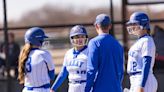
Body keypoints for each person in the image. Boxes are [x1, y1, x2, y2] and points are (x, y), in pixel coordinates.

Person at [85, 14, 124, 92]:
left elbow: (91, 70)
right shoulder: (118, 44)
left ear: (96, 26)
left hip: (100, 88)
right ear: (110, 26)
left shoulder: (94, 43)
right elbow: (121, 71)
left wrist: (87, 89)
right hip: (116, 88)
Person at [50, 25, 88, 92]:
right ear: (71, 38)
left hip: (85, 86)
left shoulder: (90, 52)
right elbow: (63, 73)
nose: (80, 39)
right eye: (77, 37)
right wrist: (53, 88)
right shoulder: (68, 53)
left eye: (82, 36)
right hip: (72, 87)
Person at [126, 12, 158, 92]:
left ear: (143, 25)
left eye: (134, 24)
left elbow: (146, 63)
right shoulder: (140, 41)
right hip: (135, 79)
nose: (132, 27)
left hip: (143, 79)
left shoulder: (147, 40)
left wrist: (142, 85)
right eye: (131, 24)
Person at [18, 27, 55, 92]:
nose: (43, 41)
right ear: (37, 40)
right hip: (42, 89)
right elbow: (52, 76)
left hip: (26, 89)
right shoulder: (44, 53)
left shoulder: (23, 54)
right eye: (42, 39)